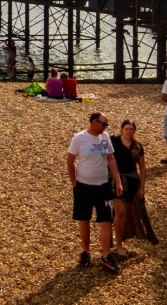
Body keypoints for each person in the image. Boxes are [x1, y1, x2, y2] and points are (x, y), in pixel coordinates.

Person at [67, 112, 124, 274]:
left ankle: (106, 255)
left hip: (103, 185)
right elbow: (70, 160)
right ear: (93, 122)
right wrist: (74, 182)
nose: (106, 127)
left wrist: (118, 181)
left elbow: (111, 159)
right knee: (84, 219)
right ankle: (85, 251)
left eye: (107, 125)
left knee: (106, 220)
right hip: (83, 186)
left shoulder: (105, 137)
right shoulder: (79, 138)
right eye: (103, 124)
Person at [110, 120, 148, 259]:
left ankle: (120, 238)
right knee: (119, 211)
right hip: (114, 180)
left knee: (125, 213)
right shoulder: (113, 140)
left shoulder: (137, 146)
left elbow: (142, 167)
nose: (129, 131)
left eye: (131, 129)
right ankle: (118, 244)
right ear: (121, 130)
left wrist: (142, 187)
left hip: (131, 181)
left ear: (134, 131)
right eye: (126, 129)